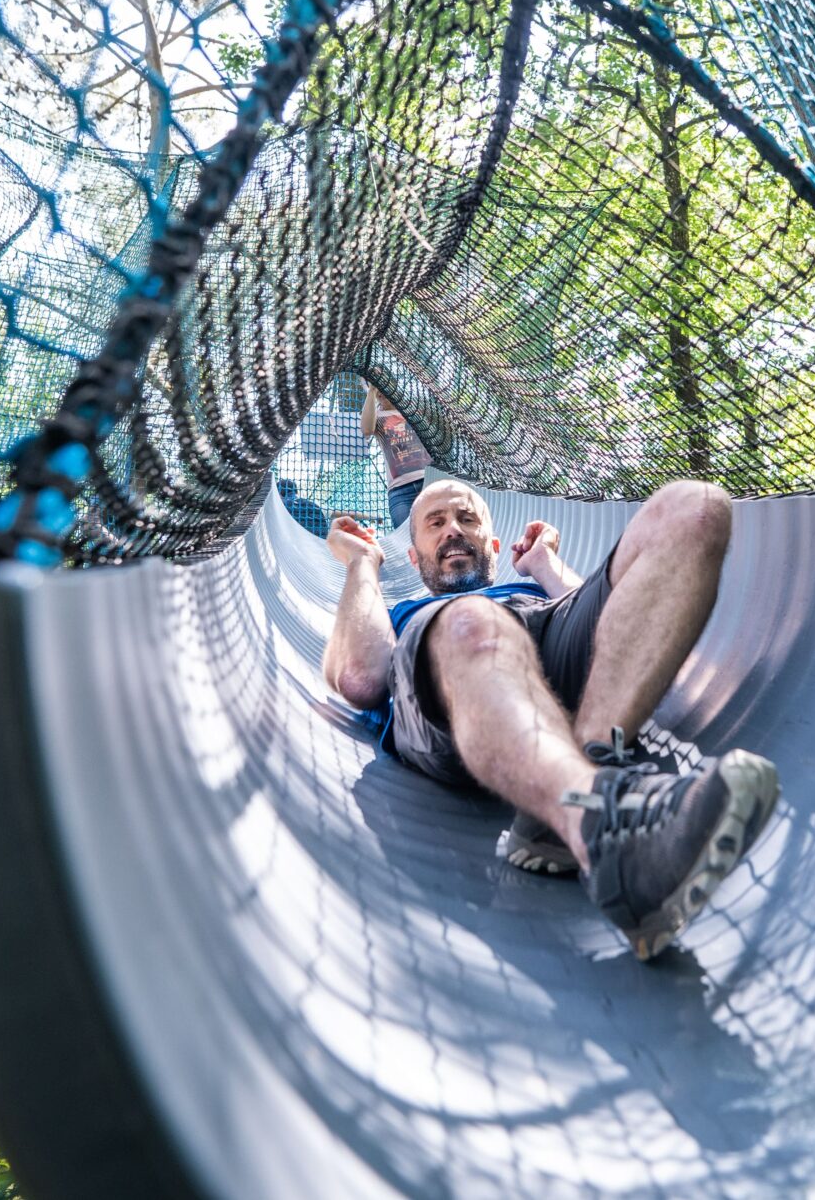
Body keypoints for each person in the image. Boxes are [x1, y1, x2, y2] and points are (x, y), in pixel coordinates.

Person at [321, 477, 780, 961]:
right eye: (436, 524)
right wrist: (363, 564)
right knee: (472, 620)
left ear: (493, 548)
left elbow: (628, 628)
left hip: (547, 635)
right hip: (454, 675)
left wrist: (543, 564)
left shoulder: (530, 584)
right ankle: (600, 828)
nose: (453, 530)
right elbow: (359, 676)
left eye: (467, 519)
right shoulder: (406, 613)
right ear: (413, 558)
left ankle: (582, 777)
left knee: (696, 507)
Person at [362, 384, 431, 529]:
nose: (380, 392)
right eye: (375, 388)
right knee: (404, 535)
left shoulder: (412, 408)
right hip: (400, 490)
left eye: (381, 385)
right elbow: (367, 429)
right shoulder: (377, 416)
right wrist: (372, 390)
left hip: (428, 480)